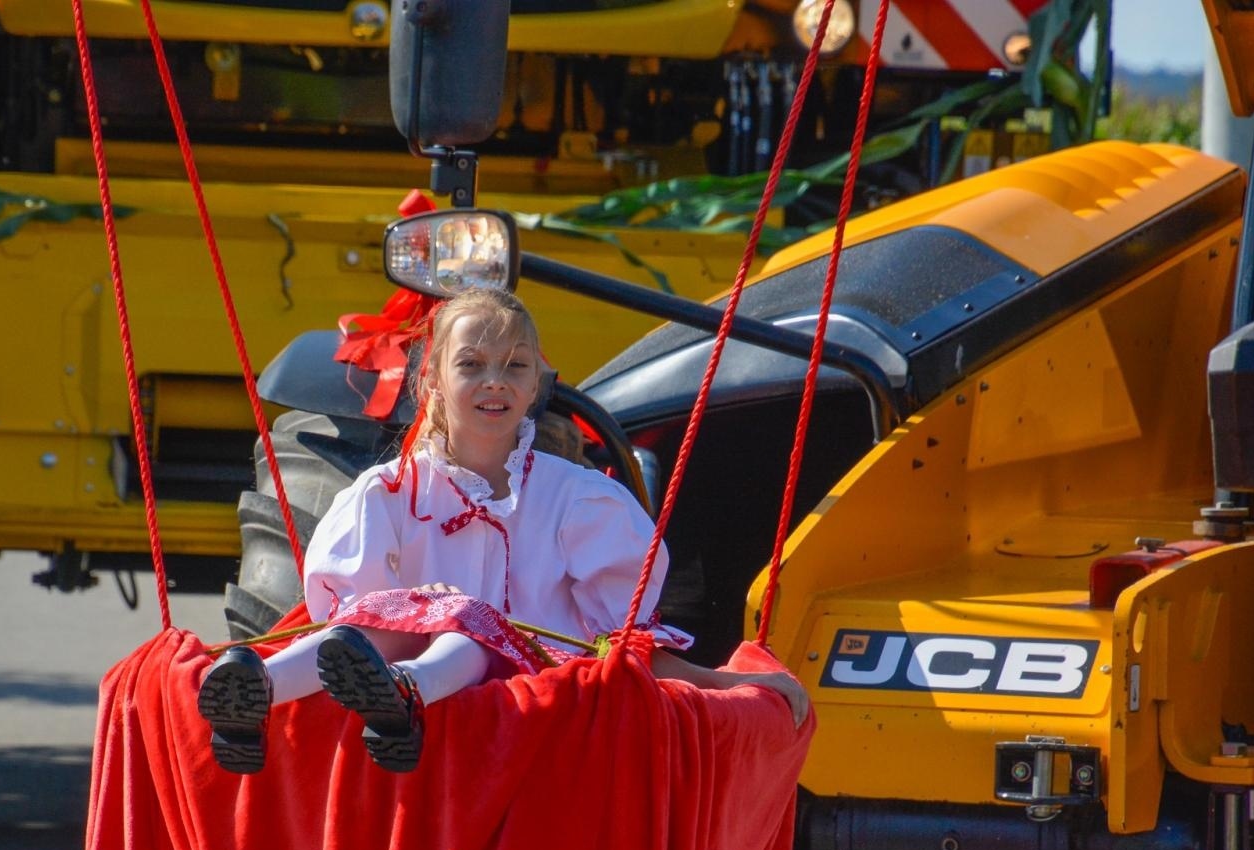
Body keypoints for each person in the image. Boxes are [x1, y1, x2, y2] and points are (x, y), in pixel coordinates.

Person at [198, 288, 808, 773]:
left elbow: (629, 655)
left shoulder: (577, 500)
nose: (495, 381)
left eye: (514, 366)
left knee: (470, 627)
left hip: (529, 712)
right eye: (472, 365)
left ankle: (405, 694)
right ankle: (257, 690)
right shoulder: (385, 494)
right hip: (398, 704)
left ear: (536, 385)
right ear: (431, 382)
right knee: (365, 626)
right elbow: (340, 624)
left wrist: (725, 679)